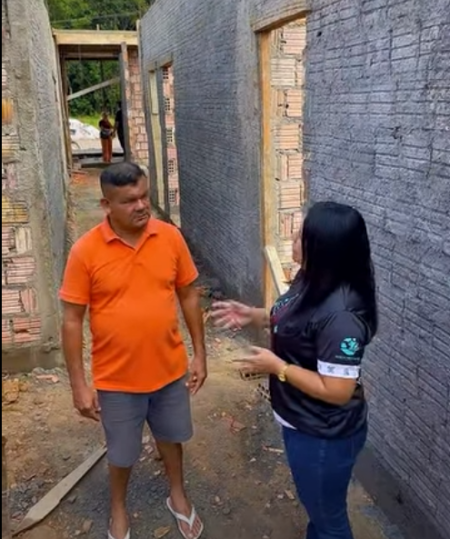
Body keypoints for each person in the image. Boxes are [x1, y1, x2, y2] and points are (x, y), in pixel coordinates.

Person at [212, 202, 378, 539]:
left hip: (323, 435)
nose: (293, 238)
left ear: (323, 248)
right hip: (301, 421)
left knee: (329, 520)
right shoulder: (311, 279)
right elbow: (295, 319)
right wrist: (256, 315)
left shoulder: (342, 318)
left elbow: (338, 390)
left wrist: (278, 367)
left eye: (301, 235)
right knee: (317, 508)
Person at [60, 162, 206, 539]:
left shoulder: (169, 237)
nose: (141, 206)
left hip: (169, 370)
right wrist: (79, 385)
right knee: (122, 452)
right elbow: (72, 320)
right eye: (129, 201)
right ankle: (118, 509)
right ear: (106, 204)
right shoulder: (85, 251)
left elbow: (189, 295)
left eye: (144, 196)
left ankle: (177, 495)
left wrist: (200, 354)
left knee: (171, 438)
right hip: (117, 379)